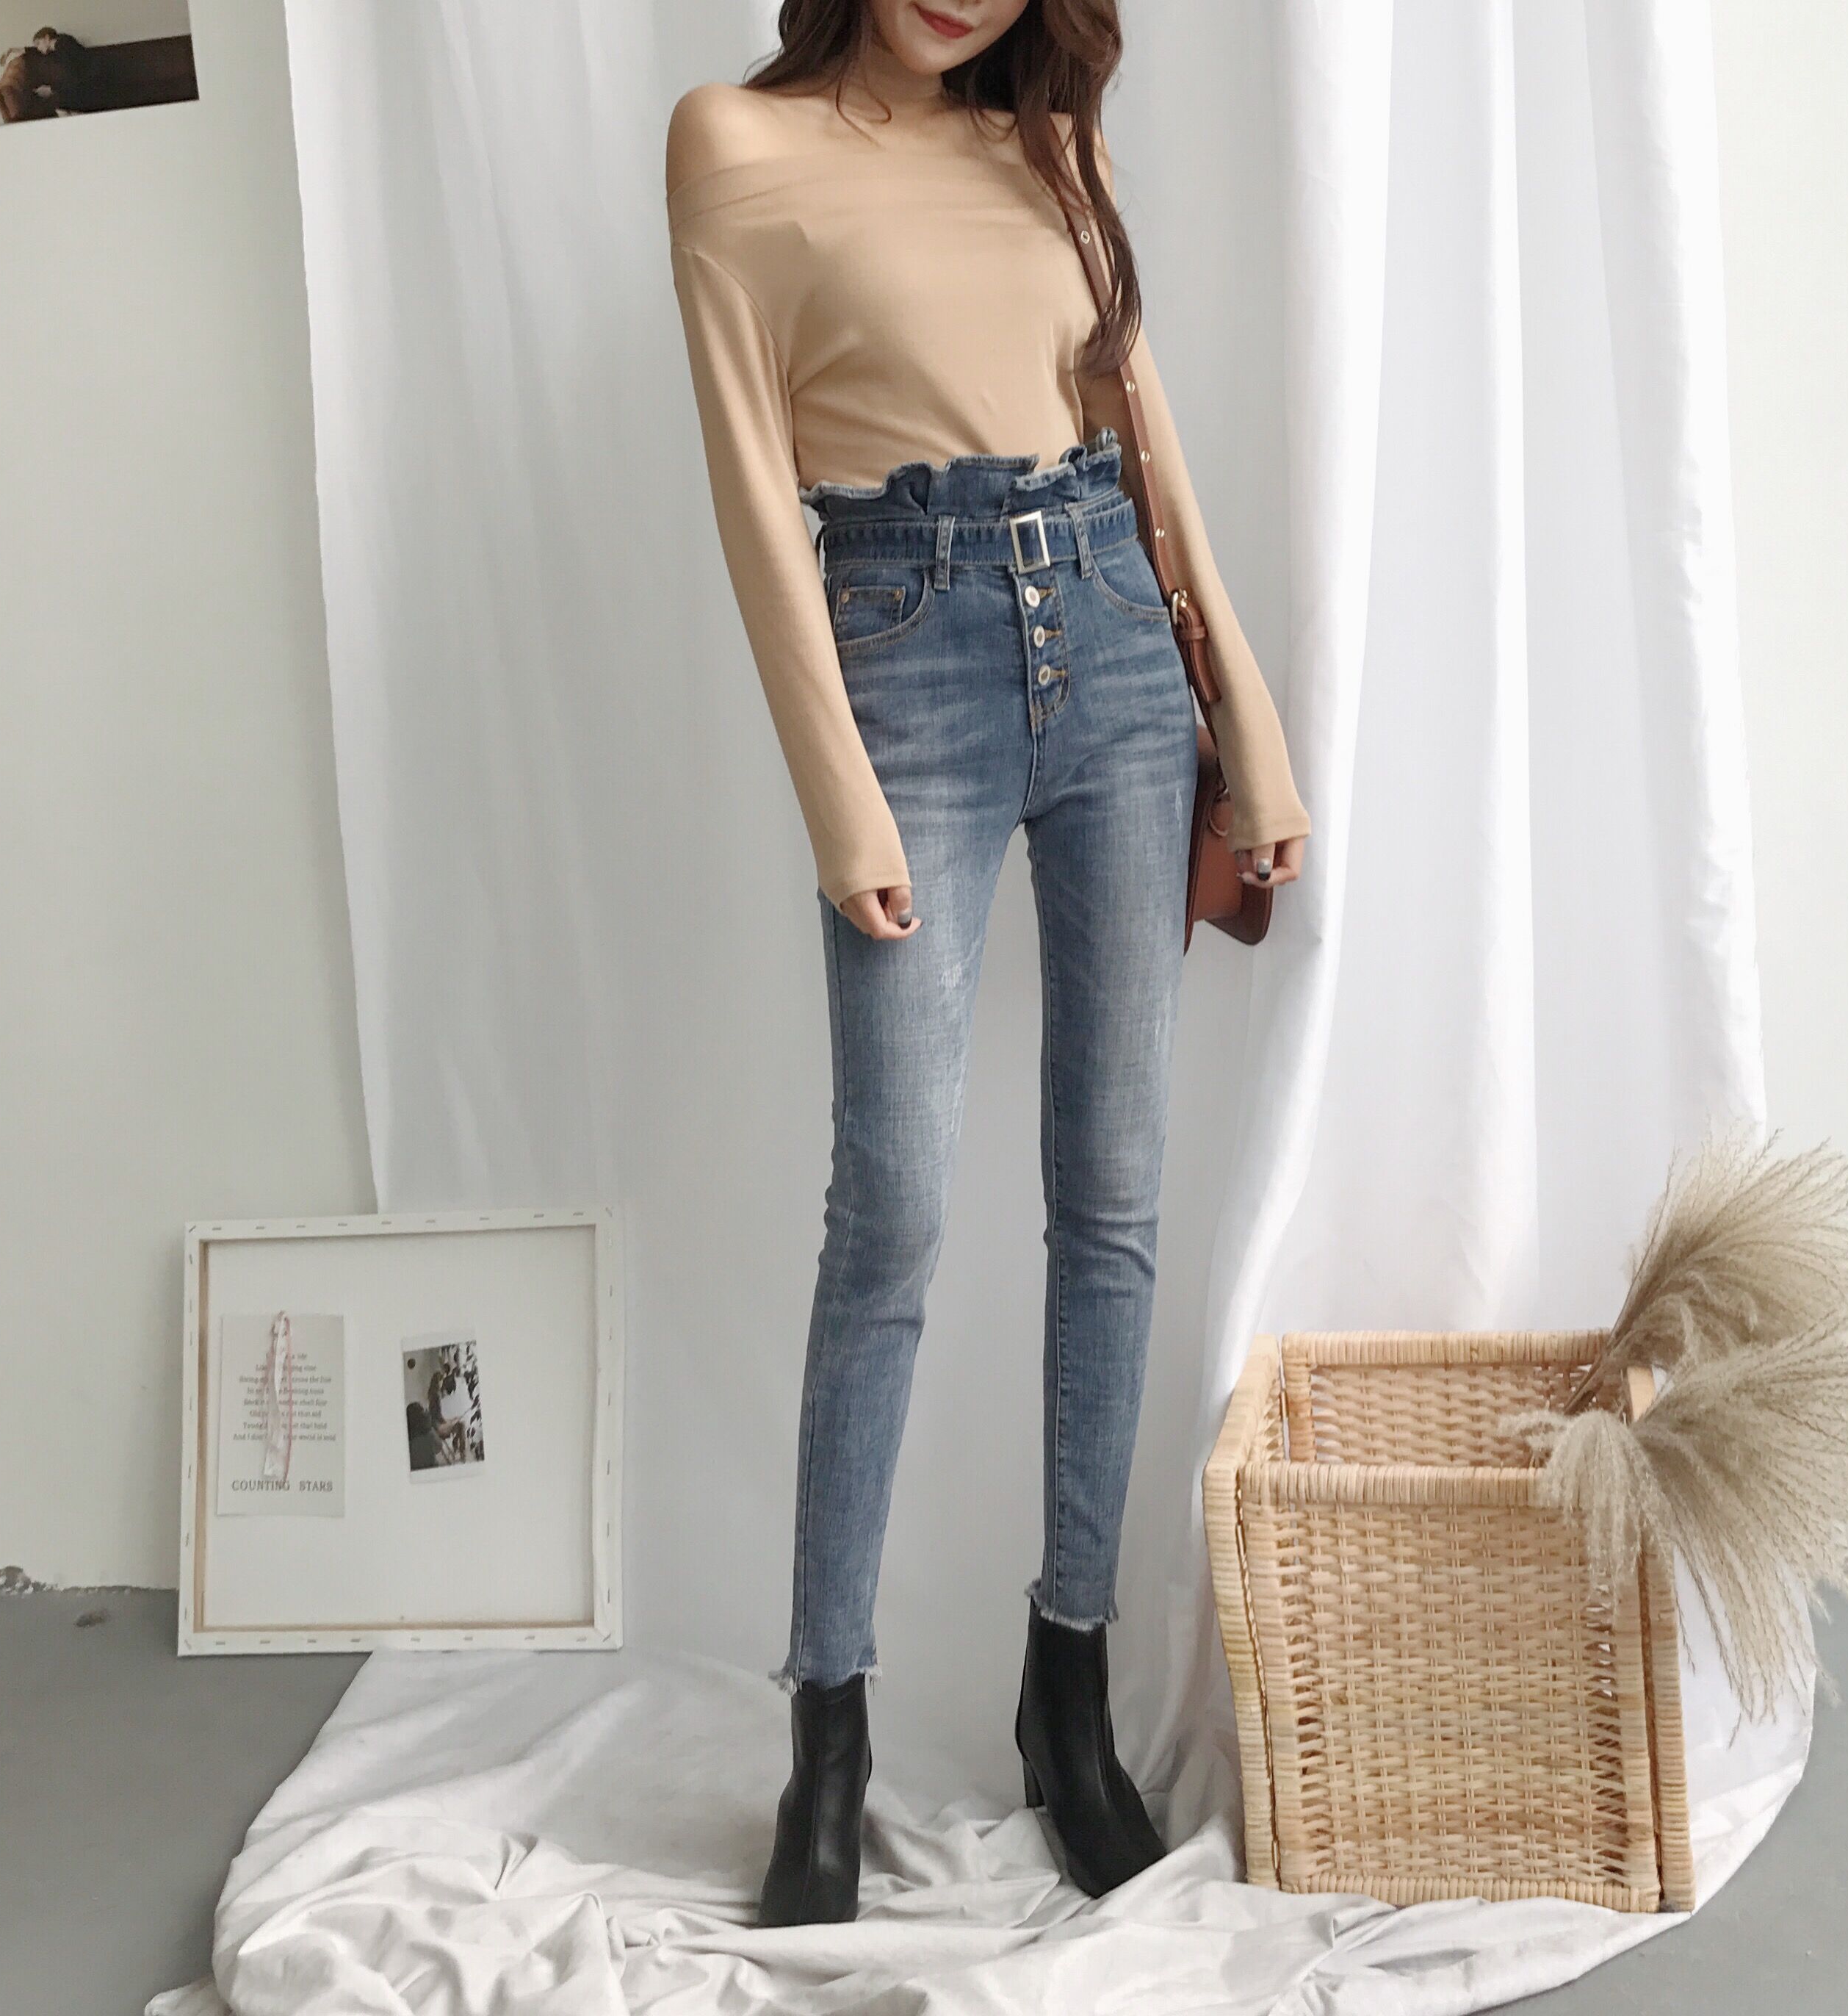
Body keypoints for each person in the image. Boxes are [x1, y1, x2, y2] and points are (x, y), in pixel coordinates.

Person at [664, 0, 1308, 1926]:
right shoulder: (731, 144)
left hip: (1109, 631)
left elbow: (1147, 435)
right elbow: (749, 489)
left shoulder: (1051, 144)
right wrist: (837, 796)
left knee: (1112, 1201)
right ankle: (827, 1744)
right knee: (893, 1213)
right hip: (904, 646)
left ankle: (1068, 1701)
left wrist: (1248, 720)